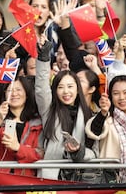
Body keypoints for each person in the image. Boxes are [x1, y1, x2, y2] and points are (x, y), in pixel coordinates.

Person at [35, 38, 94, 180]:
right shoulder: (49, 110)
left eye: (70, 87)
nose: (66, 92)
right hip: (51, 179)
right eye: (60, 87)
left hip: (80, 180)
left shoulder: (89, 114)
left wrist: (79, 151)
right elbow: (41, 88)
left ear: (78, 89)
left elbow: (95, 153)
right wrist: (43, 58)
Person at [0, 76, 43, 175]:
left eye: (18, 90)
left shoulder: (37, 122)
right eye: (10, 90)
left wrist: (18, 148)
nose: (14, 94)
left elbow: (39, 154)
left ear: (27, 94)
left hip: (26, 179)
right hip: (1, 176)